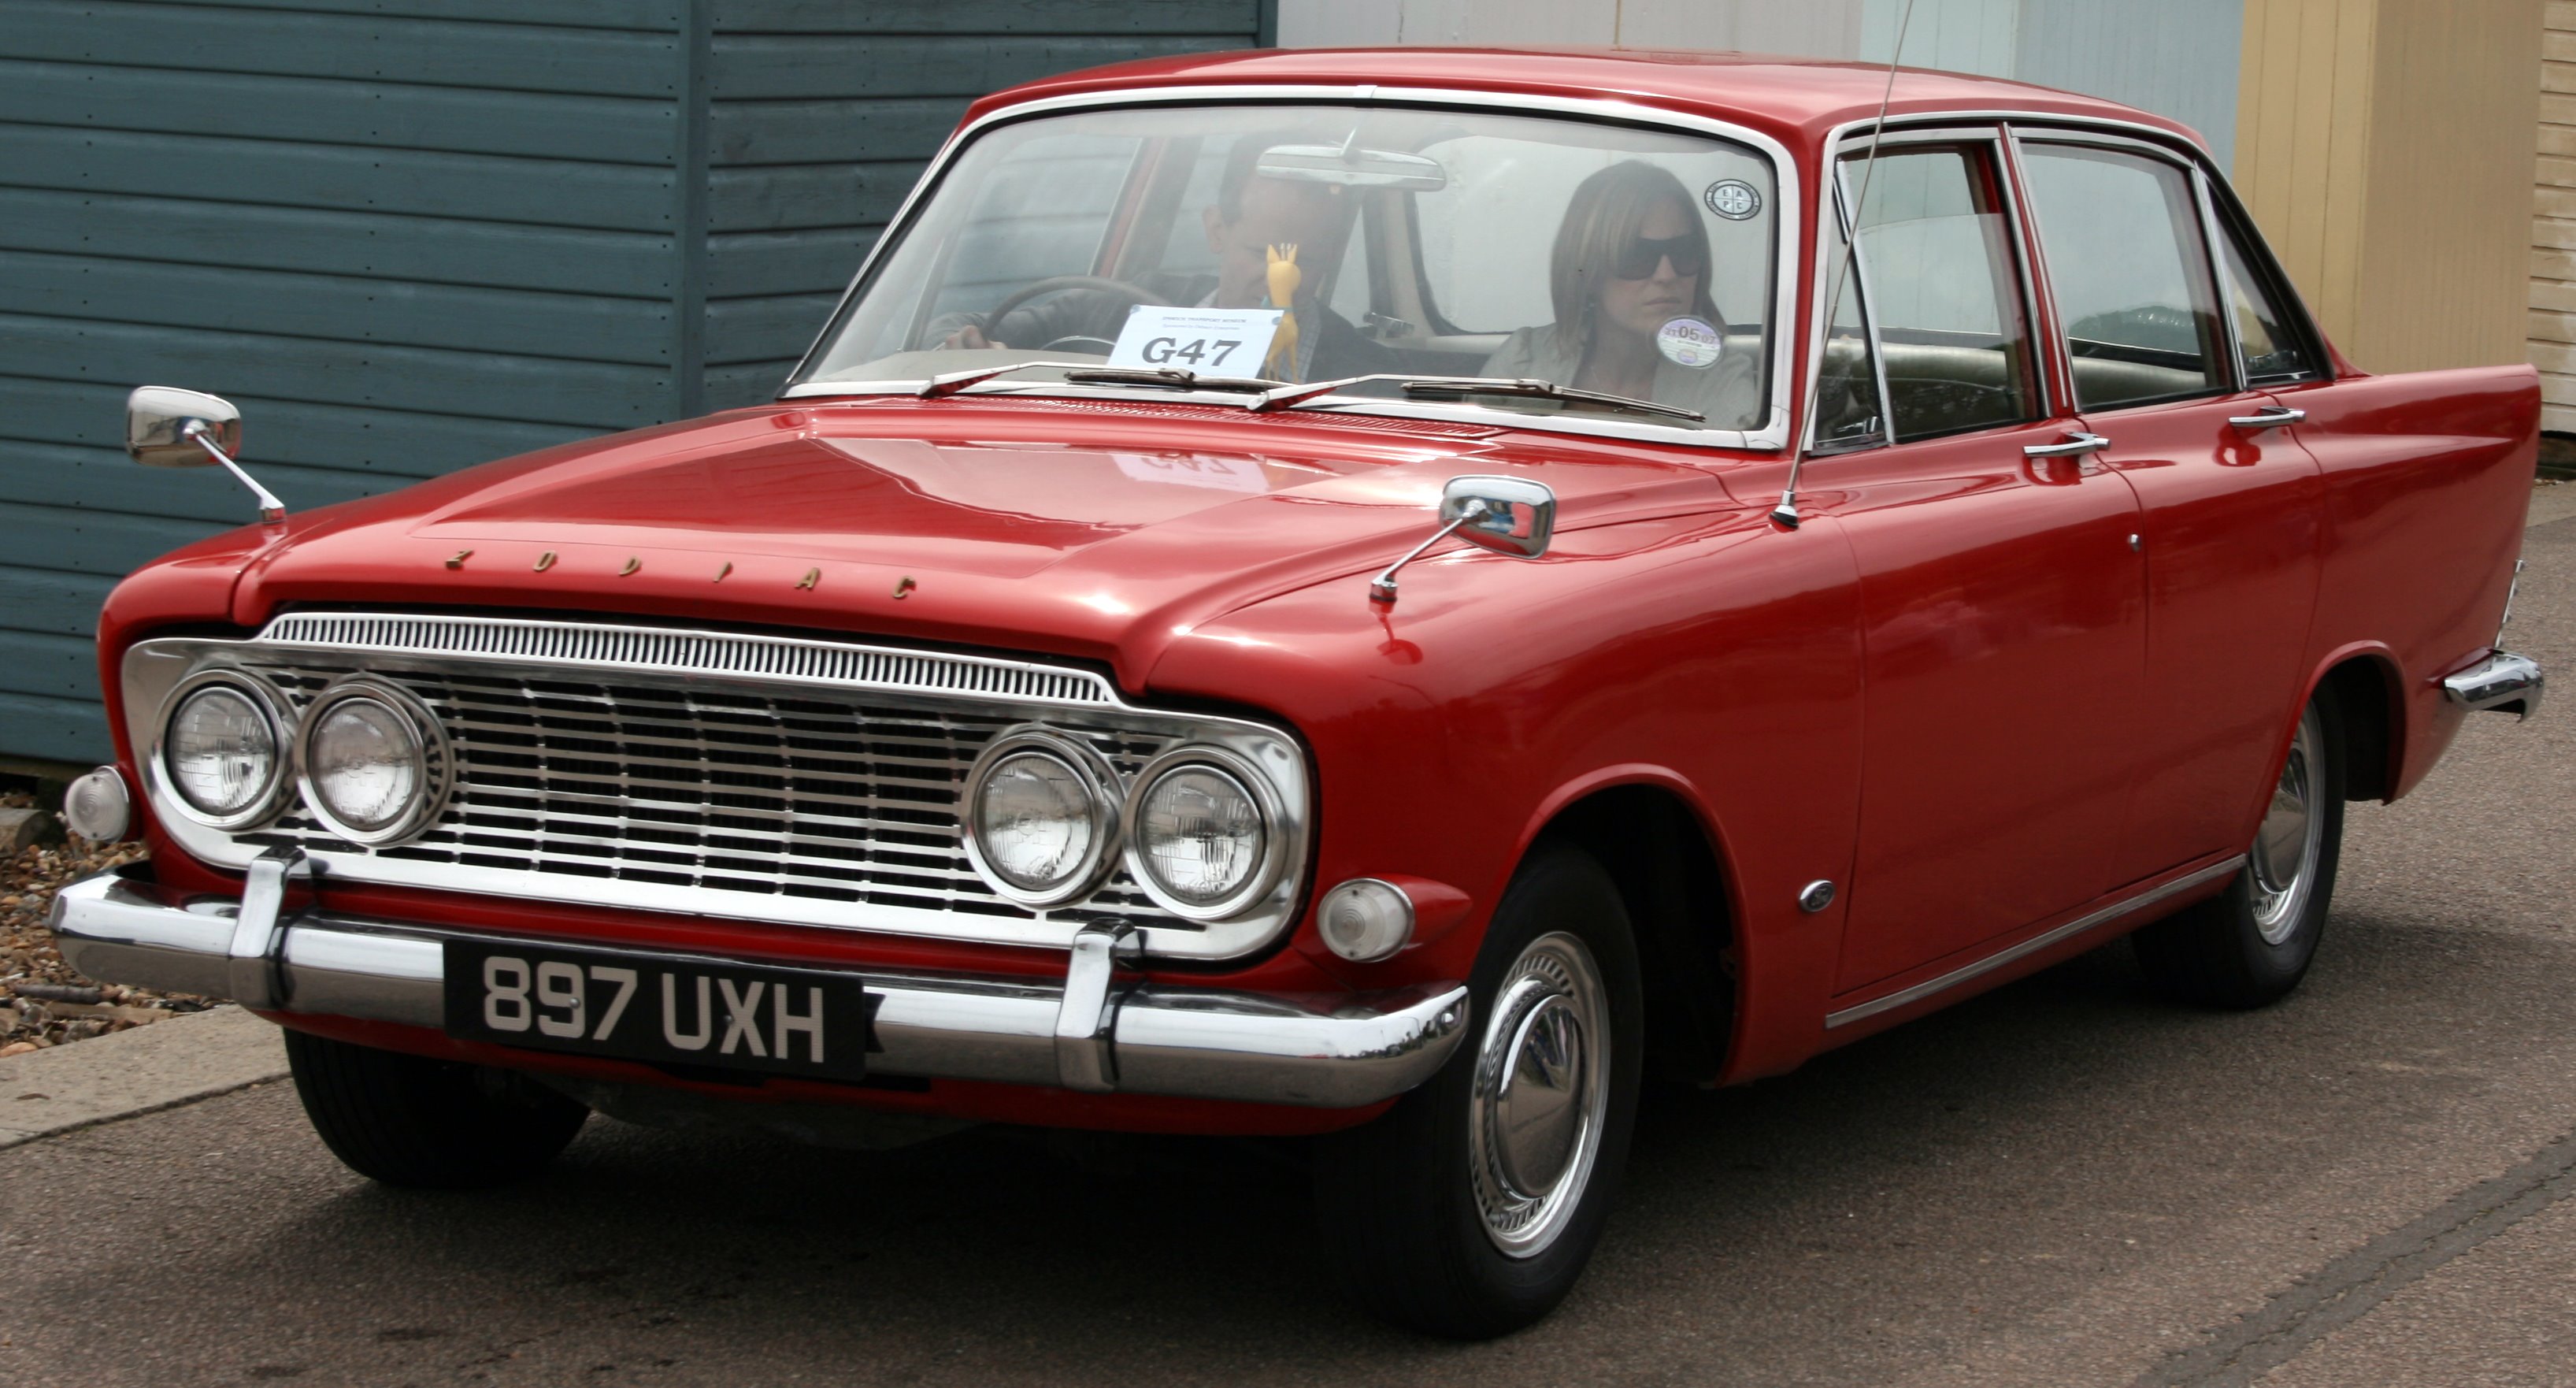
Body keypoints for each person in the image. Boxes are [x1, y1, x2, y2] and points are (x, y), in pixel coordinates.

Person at [940, 135, 1395, 383]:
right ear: (1217, 230)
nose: (1282, 280)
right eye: (1262, 254)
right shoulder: (1117, 307)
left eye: (1308, 261)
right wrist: (966, 350)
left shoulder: (1365, 373)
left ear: (1333, 257)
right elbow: (959, 326)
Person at [1482, 161, 1758, 428]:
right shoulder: (1525, 359)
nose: (1667, 274)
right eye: (1636, 255)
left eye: (1683, 252)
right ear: (1588, 271)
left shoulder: (1721, 378)